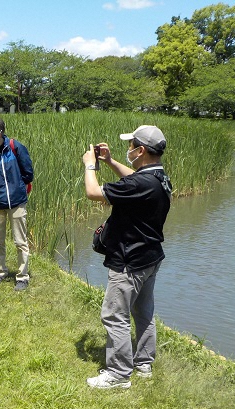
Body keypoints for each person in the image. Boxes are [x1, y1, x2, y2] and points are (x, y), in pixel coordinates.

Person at [82, 125, 172, 389]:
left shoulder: (139, 183)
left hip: (130, 259)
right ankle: (143, 363)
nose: (129, 149)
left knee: (114, 314)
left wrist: (90, 165)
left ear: (141, 150)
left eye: (132, 146)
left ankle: (119, 374)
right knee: (143, 312)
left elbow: (93, 193)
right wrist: (109, 161)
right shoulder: (158, 177)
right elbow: (135, 176)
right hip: (150, 256)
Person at [0, 116, 34, 291]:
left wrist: (15, 187)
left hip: (17, 202)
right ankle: (0, 272)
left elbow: (28, 173)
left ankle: (22, 276)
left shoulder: (15, 147)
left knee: (20, 241)